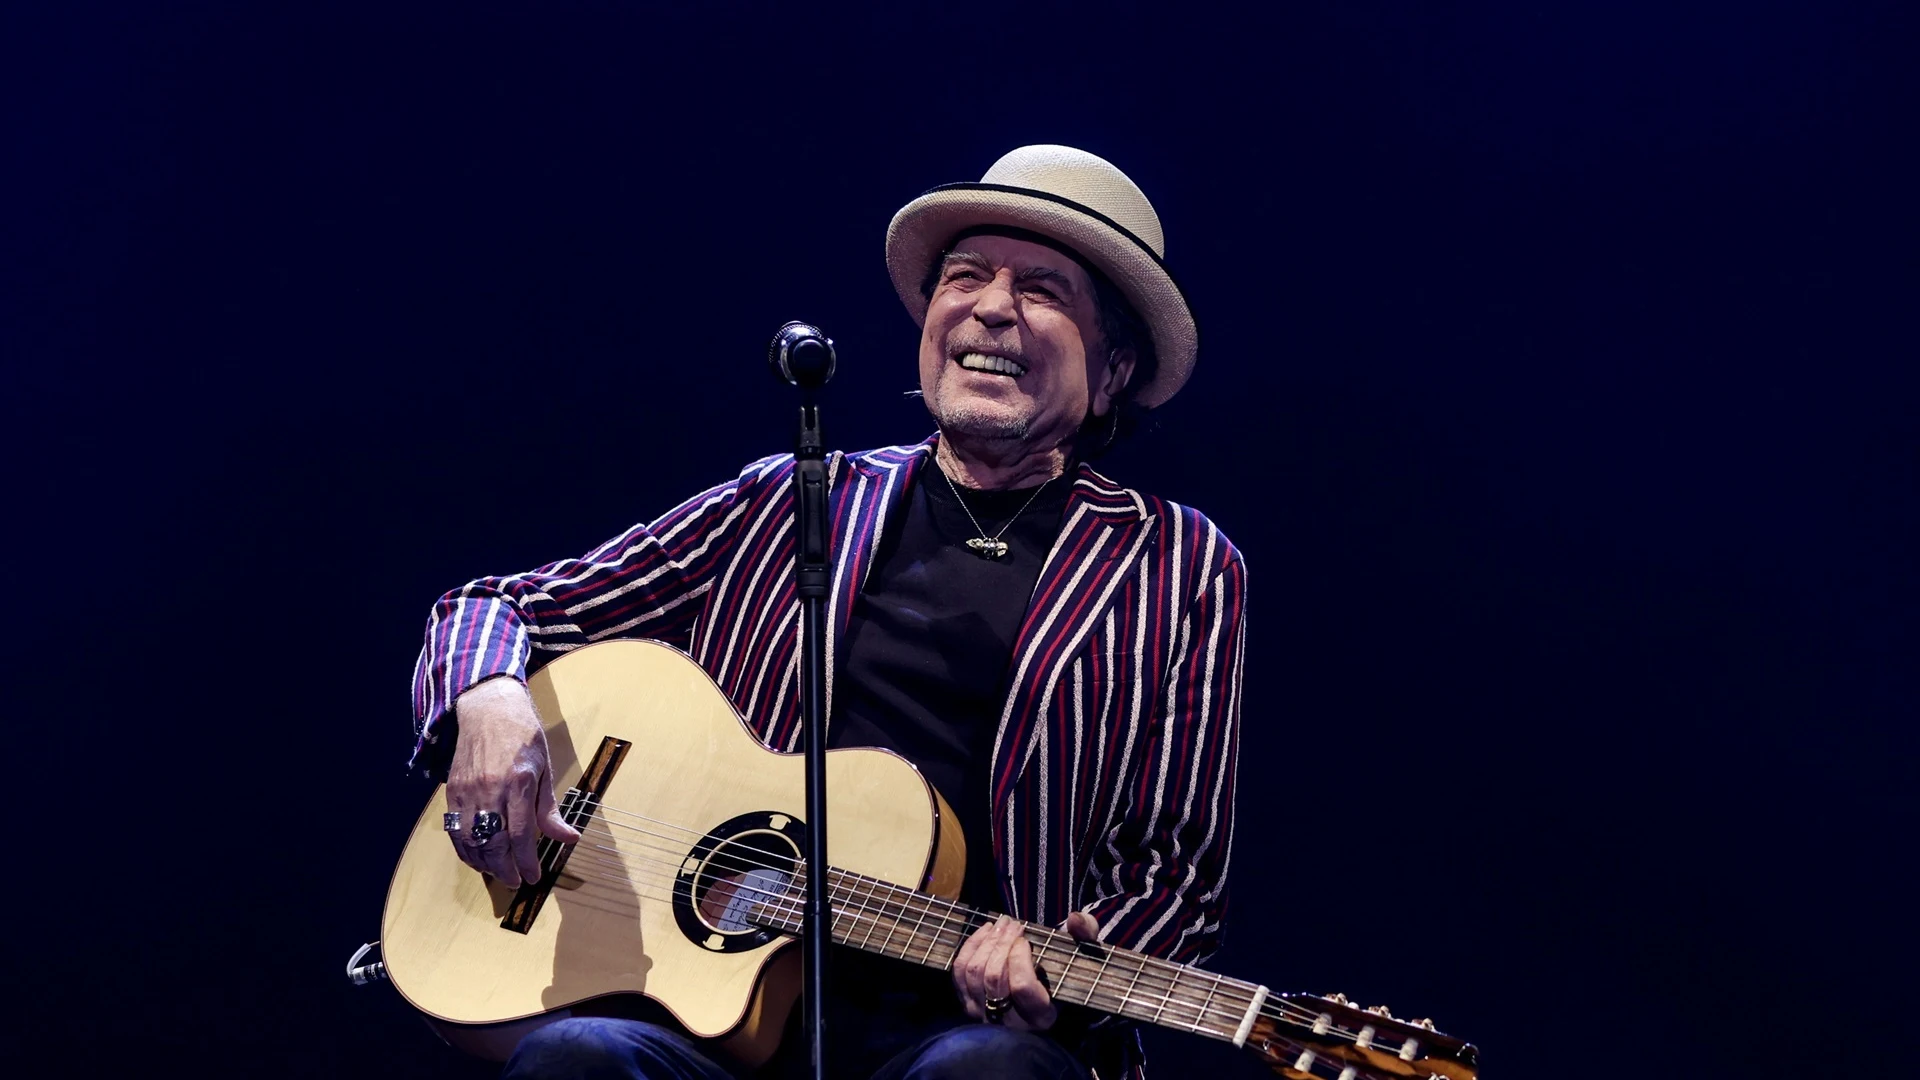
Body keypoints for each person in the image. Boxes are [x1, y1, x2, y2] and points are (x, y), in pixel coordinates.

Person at [408, 145, 1248, 1079]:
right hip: (713, 1019)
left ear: (1115, 366)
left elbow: (1174, 873)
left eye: (1043, 290)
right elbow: (498, 606)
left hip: (970, 1036)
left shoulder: (1175, 562)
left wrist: (1063, 963)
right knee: (577, 1058)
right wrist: (486, 702)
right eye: (965, 276)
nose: (992, 307)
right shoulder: (793, 500)